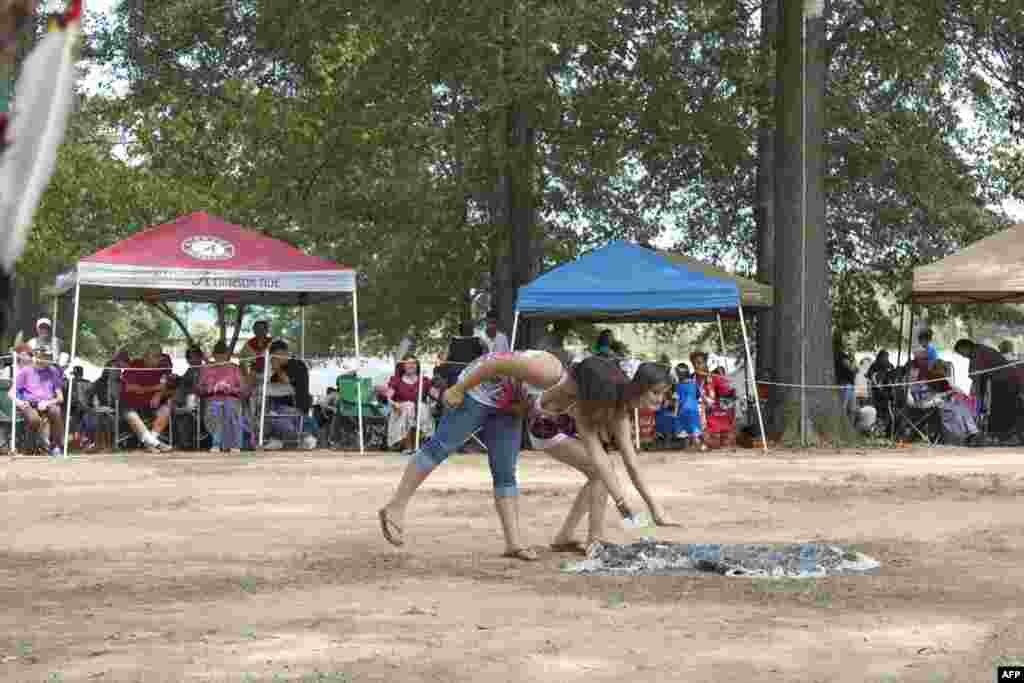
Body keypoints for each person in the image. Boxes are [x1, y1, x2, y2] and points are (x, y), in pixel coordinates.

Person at [378, 351, 679, 559]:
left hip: (512, 404)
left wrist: (632, 509)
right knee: (441, 447)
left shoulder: (585, 405)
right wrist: (460, 387)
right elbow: (495, 363)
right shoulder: (546, 369)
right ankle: (396, 506)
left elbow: (601, 459)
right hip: (479, 389)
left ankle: (513, 543)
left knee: (506, 468)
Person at [954, 338, 1024, 441]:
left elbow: (977, 380)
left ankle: (1001, 435)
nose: (962, 356)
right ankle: (1005, 435)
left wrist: (977, 400)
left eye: (961, 353)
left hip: (1005, 381)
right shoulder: (980, 350)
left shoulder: (977, 353)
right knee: (1003, 408)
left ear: (966, 347)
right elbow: (977, 379)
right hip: (1005, 380)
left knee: (1000, 408)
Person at [259, 340, 315, 450]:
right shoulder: (277, 368)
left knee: (274, 415)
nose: (275, 359)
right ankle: (277, 438)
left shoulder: (297, 364)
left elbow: (286, 381)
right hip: (282, 405)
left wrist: (277, 368)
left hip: (297, 405)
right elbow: (271, 384)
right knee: (268, 411)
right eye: (273, 357)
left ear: (285, 353)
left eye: (278, 356)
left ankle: (304, 436)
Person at [10, 346, 65, 455]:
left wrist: (47, 403)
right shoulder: (26, 371)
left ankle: (55, 447)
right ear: (36, 356)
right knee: (34, 420)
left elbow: (60, 398)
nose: (48, 359)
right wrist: (19, 402)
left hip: (47, 404)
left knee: (56, 411)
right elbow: (11, 393)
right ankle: (29, 448)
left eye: (49, 356)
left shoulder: (53, 371)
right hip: (29, 404)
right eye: (45, 356)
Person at [120, 345, 173, 452]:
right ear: (146, 356)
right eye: (155, 356)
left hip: (150, 404)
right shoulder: (135, 365)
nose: (158, 360)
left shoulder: (161, 368)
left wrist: (159, 394)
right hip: (131, 404)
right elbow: (130, 387)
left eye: (159, 357)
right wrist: (154, 388)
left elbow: (165, 386)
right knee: (131, 414)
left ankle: (150, 442)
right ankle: (156, 443)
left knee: (167, 408)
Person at [199, 341, 245, 453]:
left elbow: (244, 389)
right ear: (214, 355)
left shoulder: (234, 368)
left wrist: (231, 389)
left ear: (227, 355)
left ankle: (235, 444)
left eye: (223, 355)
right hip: (213, 398)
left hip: (231, 397)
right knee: (216, 409)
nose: (220, 358)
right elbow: (198, 388)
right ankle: (216, 443)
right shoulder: (206, 369)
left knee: (230, 408)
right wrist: (211, 389)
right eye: (217, 355)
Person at [385, 357, 436, 452]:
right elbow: (388, 397)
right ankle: (407, 445)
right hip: (401, 410)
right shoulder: (396, 380)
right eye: (408, 363)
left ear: (417, 366)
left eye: (414, 363)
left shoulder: (424, 380)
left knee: (420, 407)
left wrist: (435, 401)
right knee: (409, 407)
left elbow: (436, 395)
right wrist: (394, 404)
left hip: (421, 411)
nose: (411, 365)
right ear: (403, 366)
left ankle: (419, 443)